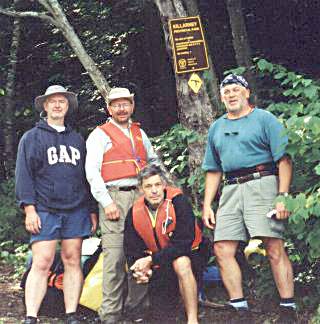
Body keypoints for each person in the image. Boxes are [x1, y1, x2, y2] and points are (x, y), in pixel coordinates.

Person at [202, 74, 296, 323]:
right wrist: (207, 205)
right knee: (222, 248)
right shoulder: (217, 127)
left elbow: (284, 160)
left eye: (235, 89)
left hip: (263, 182)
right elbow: (213, 169)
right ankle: (240, 309)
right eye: (226, 92)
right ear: (221, 97)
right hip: (231, 188)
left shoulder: (264, 119)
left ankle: (288, 308)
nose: (231, 95)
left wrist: (283, 196)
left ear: (247, 92)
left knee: (273, 245)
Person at [15, 85, 98, 324]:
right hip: (45, 209)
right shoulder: (31, 138)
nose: (58, 105)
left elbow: (87, 177)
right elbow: (24, 176)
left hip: (76, 209)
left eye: (62, 101)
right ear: (45, 106)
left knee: (73, 259)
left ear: (68, 106)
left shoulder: (77, 139)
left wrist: (91, 210)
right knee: (42, 261)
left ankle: (70, 313)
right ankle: (31, 315)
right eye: (53, 101)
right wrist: (29, 209)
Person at [85, 87, 158, 323]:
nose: (121, 108)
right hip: (114, 197)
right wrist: (106, 202)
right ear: (109, 108)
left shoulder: (139, 133)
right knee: (114, 258)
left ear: (132, 106)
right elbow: (91, 172)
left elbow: (154, 162)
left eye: (125, 103)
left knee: (140, 253)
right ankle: (110, 314)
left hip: (140, 198)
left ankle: (137, 309)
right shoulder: (100, 134)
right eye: (116, 104)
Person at [124, 163, 204, 324]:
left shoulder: (179, 202)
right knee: (161, 316)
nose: (154, 190)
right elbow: (131, 250)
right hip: (160, 264)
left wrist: (151, 260)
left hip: (190, 258)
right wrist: (140, 270)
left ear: (164, 185)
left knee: (181, 262)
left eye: (157, 185)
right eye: (148, 186)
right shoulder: (133, 213)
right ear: (141, 189)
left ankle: (193, 319)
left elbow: (183, 244)